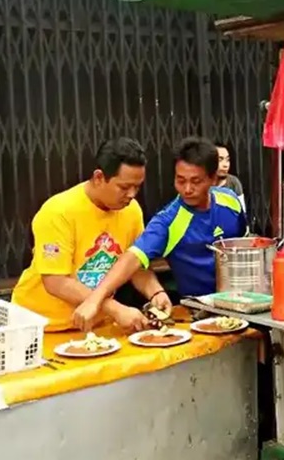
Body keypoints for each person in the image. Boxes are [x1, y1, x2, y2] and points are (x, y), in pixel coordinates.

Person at [73, 137, 248, 331]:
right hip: (200, 314)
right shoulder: (168, 220)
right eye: (180, 180)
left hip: (243, 303)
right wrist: (94, 299)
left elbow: (243, 244)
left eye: (196, 181)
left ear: (213, 179)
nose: (187, 189)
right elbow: (133, 257)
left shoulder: (230, 201)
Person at [12, 138, 170, 335]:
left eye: (137, 187)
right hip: (41, 326)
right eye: (124, 187)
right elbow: (55, 281)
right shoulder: (59, 211)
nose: (132, 194)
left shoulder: (131, 211)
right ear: (98, 177)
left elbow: (133, 264)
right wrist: (115, 308)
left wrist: (155, 292)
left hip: (95, 326)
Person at [215, 141, 246, 209]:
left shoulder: (233, 182)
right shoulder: (203, 184)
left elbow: (241, 211)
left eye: (227, 160)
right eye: (220, 160)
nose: (225, 165)